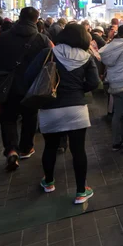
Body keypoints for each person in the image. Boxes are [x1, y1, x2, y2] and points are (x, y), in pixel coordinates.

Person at [25, 24, 100, 204]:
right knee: (78, 150)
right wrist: (78, 90)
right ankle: (81, 191)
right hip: (76, 109)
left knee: (50, 147)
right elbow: (94, 82)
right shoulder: (86, 57)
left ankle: (49, 182)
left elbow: (29, 76)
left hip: (50, 107)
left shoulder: (48, 53)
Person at [0, 7, 51, 170]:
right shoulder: (42, 39)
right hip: (32, 86)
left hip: (7, 87)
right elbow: (50, 64)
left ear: (20, 17)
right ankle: (25, 148)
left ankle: (11, 150)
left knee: (8, 118)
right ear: (36, 20)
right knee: (30, 117)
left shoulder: (4, 37)